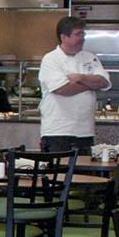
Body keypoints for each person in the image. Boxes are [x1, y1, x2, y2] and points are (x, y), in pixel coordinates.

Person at [37, 14, 109, 153]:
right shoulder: (51, 59)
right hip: (58, 131)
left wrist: (81, 77)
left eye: (83, 34)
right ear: (64, 37)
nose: (82, 38)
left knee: (85, 173)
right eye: (78, 34)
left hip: (85, 131)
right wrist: (90, 84)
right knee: (61, 174)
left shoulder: (89, 57)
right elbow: (63, 90)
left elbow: (104, 82)